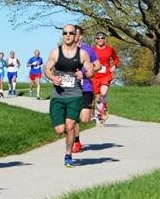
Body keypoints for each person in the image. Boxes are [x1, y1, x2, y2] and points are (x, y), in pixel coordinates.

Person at [44, 24, 95, 168]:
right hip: (58, 96)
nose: (67, 35)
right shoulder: (56, 52)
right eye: (65, 33)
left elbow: (91, 71)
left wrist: (83, 74)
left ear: (75, 35)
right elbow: (47, 69)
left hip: (75, 95)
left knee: (70, 125)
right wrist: (52, 77)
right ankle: (69, 139)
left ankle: (68, 155)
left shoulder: (82, 54)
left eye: (71, 33)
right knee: (60, 130)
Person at [72, 25, 101, 153]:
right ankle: (76, 141)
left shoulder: (88, 50)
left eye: (75, 33)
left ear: (80, 36)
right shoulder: (65, 50)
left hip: (86, 87)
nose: (72, 36)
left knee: (84, 119)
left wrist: (87, 71)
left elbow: (98, 65)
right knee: (72, 117)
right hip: (71, 87)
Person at [92, 32, 120, 126]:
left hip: (106, 75)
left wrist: (114, 66)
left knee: (103, 93)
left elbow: (116, 59)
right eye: (98, 38)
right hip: (95, 76)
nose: (100, 40)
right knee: (98, 98)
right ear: (96, 40)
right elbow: (86, 60)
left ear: (105, 39)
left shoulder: (110, 49)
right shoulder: (92, 50)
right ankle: (100, 115)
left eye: (102, 38)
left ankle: (104, 108)